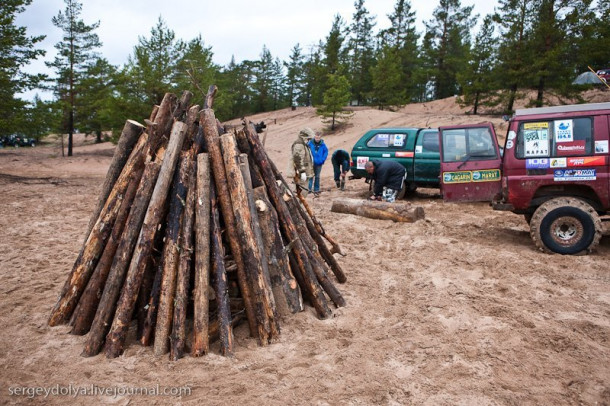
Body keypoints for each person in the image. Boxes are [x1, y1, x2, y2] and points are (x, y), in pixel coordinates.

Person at [289, 127, 315, 195]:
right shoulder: (299, 144)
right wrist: (302, 171)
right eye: (309, 138)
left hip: (305, 171)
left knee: (304, 191)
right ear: (305, 137)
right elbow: (298, 158)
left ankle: (300, 205)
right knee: (301, 192)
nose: (310, 140)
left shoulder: (303, 144)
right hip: (301, 173)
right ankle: (298, 205)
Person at [307, 131, 328, 195]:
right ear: (314, 137)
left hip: (319, 163)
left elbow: (326, 152)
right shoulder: (310, 143)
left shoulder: (323, 144)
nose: (317, 139)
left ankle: (316, 189)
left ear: (320, 138)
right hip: (311, 163)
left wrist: (322, 160)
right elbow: (306, 151)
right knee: (310, 176)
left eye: (318, 138)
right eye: (316, 138)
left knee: (317, 176)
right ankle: (309, 189)